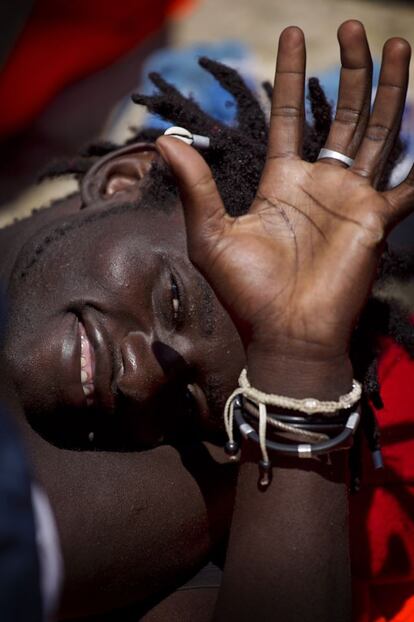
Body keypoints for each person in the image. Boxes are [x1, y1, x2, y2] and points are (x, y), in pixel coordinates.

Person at [1, 19, 414, 621]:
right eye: (171, 301)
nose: (142, 378)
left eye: (190, 403)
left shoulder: (166, 515)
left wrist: (299, 362)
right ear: (120, 180)